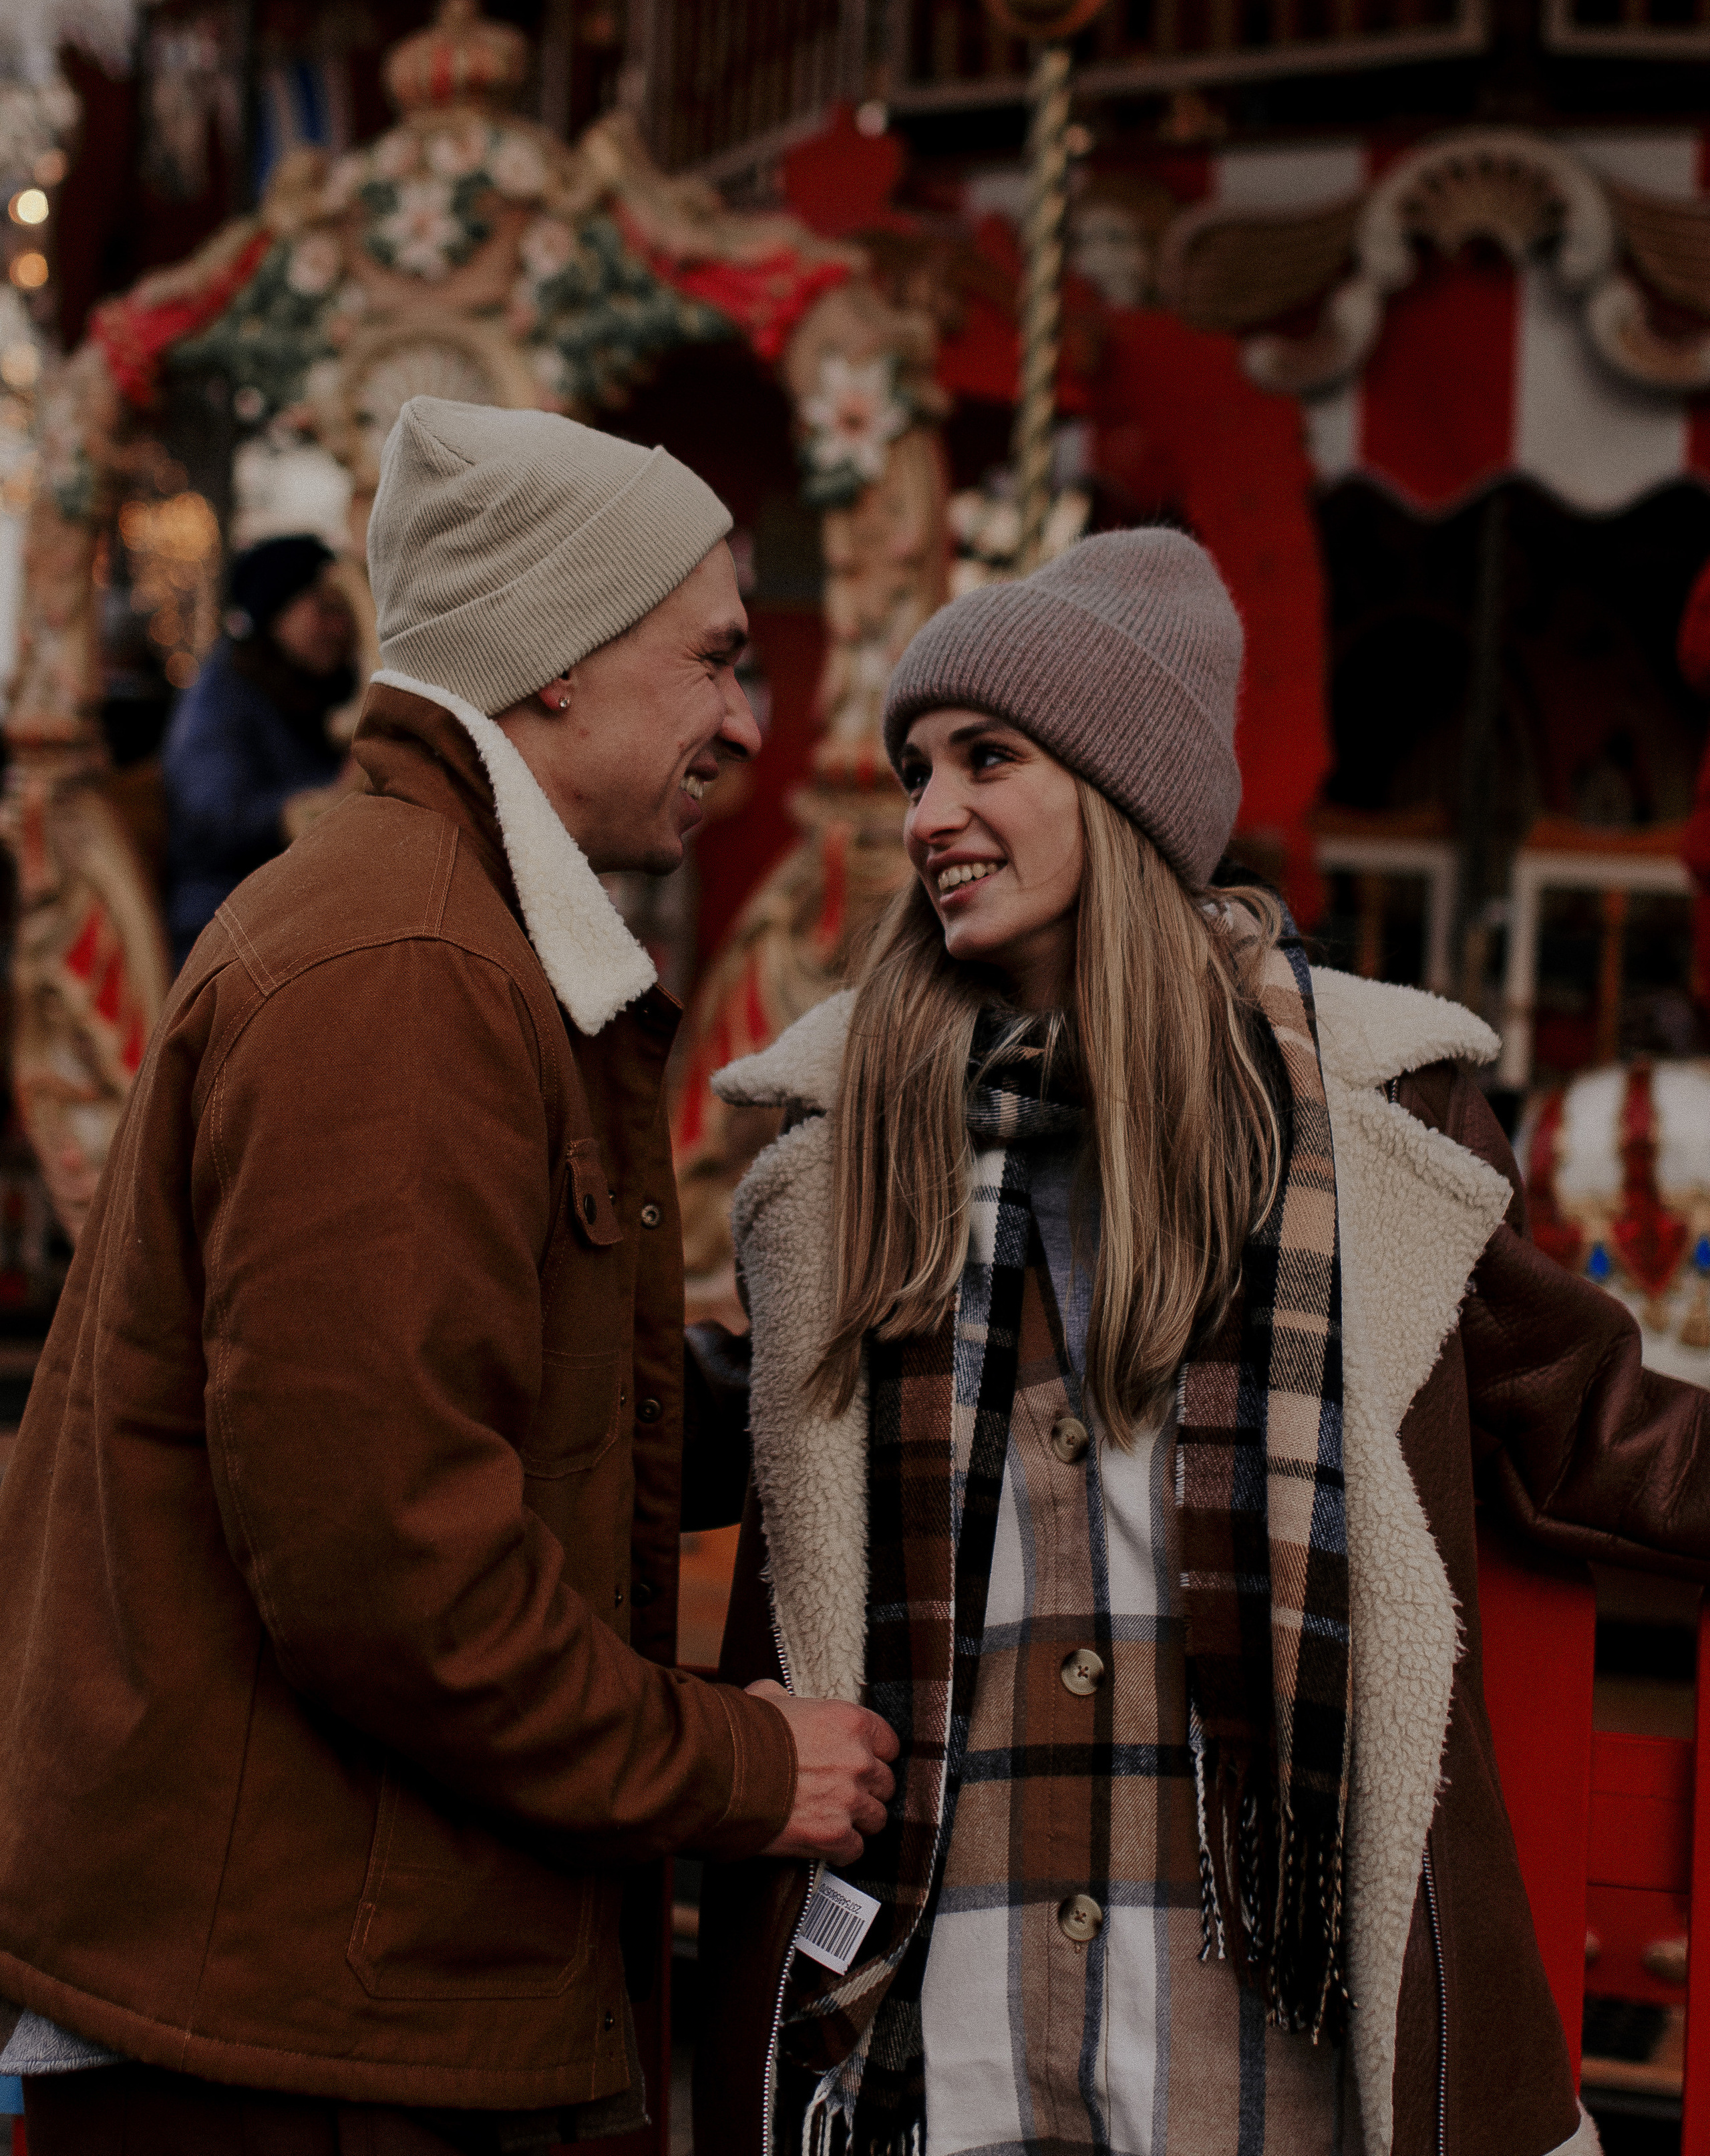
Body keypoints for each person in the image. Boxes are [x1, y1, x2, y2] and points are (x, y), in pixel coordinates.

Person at [697, 526, 1710, 2156]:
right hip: (939, 2001)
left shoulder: (1370, 1133)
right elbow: (730, 1423)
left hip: (1249, 2013)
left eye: (985, 757)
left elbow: (1585, 1416)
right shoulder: (853, 1162)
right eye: (913, 767)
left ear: (1121, 788)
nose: (926, 813)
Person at [0, 396, 896, 2154]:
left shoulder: (444, 932)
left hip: (334, 1998)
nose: (746, 717)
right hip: (304, 2036)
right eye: (714, 657)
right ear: (555, 663)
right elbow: (388, 1567)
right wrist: (741, 1765)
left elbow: (492, 1416)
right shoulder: (409, 966)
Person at [160, 532, 360, 961]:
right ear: (275, 613)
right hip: (220, 923)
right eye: (324, 610)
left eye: (344, 613)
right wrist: (305, 808)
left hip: (283, 907)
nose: (340, 628)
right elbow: (212, 817)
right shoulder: (224, 695)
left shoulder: (310, 689)